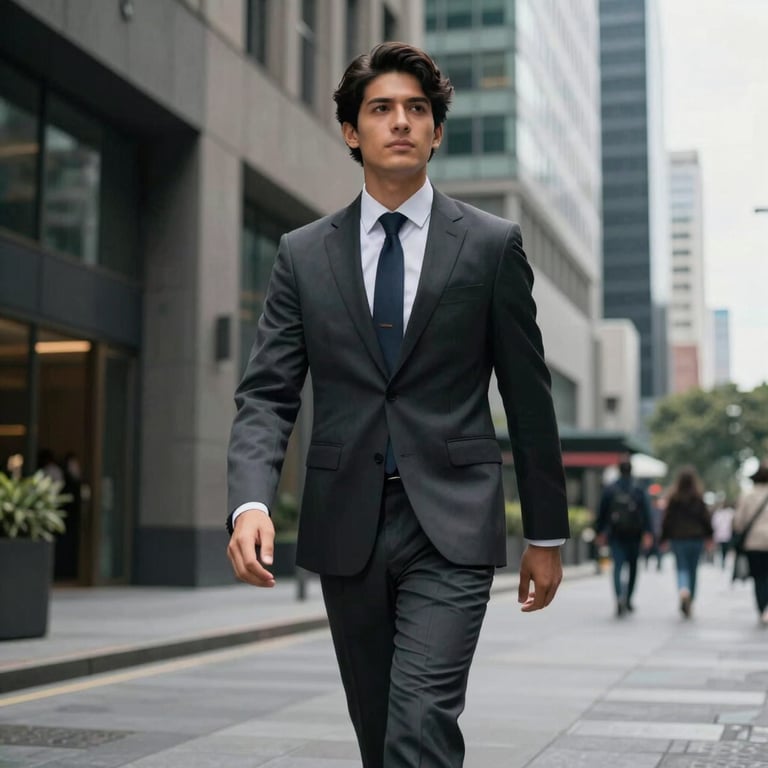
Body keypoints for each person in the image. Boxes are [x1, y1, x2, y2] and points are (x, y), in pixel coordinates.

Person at [226, 42, 570, 768]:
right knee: (379, 735)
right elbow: (267, 391)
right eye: (381, 109)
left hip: (450, 522)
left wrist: (546, 533)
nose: (402, 122)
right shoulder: (302, 254)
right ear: (352, 131)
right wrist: (250, 502)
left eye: (418, 110)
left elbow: (529, 399)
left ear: (437, 132)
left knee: (419, 726)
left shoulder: (488, 246)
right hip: (346, 522)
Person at [595, 459, 653, 616]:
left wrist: (600, 532)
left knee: (617, 567)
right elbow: (647, 513)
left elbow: (602, 513)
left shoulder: (610, 489)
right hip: (635, 535)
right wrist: (648, 533)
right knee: (633, 568)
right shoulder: (638, 489)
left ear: (619, 470)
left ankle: (619, 596)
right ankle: (628, 599)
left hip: (616, 534)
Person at [659, 466, 713, 618]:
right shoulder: (698, 497)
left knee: (681, 567)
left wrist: (663, 538)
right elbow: (705, 519)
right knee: (693, 569)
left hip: (678, 538)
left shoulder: (674, 498)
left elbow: (667, 520)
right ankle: (691, 599)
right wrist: (710, 536)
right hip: (696, 538)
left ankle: (683, 589)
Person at [732, 460, 768, 626]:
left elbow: (738, 522)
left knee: (759, 578)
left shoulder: (748, 495)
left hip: (754, 544)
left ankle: (763, 609)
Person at [710, 500, 735, 570]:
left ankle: (720, 560)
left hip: (720, 534)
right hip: (726, 534)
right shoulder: (731, 513)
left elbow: (714, 524)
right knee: (724, 549)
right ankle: (722, 560)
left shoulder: (718, 513)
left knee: (721, 549)